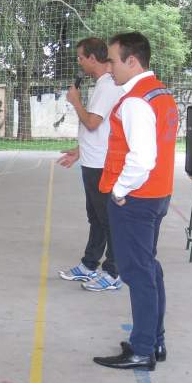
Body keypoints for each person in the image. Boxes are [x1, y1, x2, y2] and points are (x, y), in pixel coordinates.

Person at [91, 32, 178, 372]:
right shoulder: (160, 93)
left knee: (138, 273)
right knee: (149, 268)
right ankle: (154, 340)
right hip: (157, 194)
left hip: (136, 199)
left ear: (132, 60)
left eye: (112, 60)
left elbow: (142, 158)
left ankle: (143, 349)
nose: (108, 66)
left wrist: (119, 190)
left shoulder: (135, 101)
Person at [58, 37, 126, 292]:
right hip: (92, 160)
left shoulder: (107, 86)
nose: (79, 62)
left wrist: (75, 101)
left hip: (101, 164)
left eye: (81, 57)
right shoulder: (102, 85)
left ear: (93, 58)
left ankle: (113, 272)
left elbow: (92, 123)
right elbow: (102, 128)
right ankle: (89, 265)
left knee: (107, 219)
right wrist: (80, 150)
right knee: (96, 218)